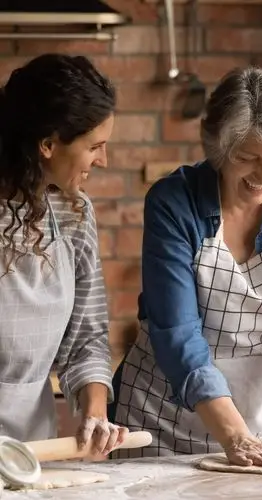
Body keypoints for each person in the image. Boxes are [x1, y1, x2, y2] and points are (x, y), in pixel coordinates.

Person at [111, 67, 262, 467]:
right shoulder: (175, 202)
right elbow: (177, 332)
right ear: (219, 149)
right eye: (247, 157)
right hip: (163, 418)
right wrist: (234, 435)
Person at [0, 53, 128, 455]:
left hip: (31, 446)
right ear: (48, 144)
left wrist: (96, 413)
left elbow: (87, 336)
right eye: (95, 146)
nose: (103, 160)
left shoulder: (74, 212)